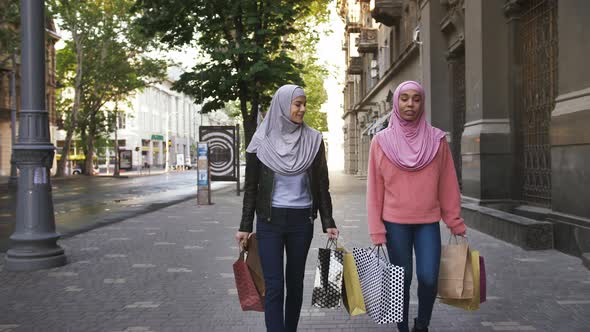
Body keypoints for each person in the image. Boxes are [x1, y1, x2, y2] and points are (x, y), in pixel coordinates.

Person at [235, 84, 339, 332]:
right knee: (273, 286)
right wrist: (244, 226)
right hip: (269, 221)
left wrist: (328, 221)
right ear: (283, 105)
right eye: (297, 104)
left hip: (302, 221)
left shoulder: (313, 140)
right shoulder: (261, 141)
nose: (302, 109)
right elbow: (251, 188)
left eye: (304, 104)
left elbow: (322, 185)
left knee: (294, 284)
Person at [366, 81, 466, 332]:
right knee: (401, 279)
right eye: (405, 99)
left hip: (427, 222)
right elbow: (374, 190)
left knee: (429, 278)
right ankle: (402, 329)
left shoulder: (437, 139)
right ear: (396, 103)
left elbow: (448, 184)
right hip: (394, 223)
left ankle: (422, 325)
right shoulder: (381, 141)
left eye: (416, 99)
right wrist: (376, 229)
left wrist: (454, 221)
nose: (410, 104)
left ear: (422, 103)